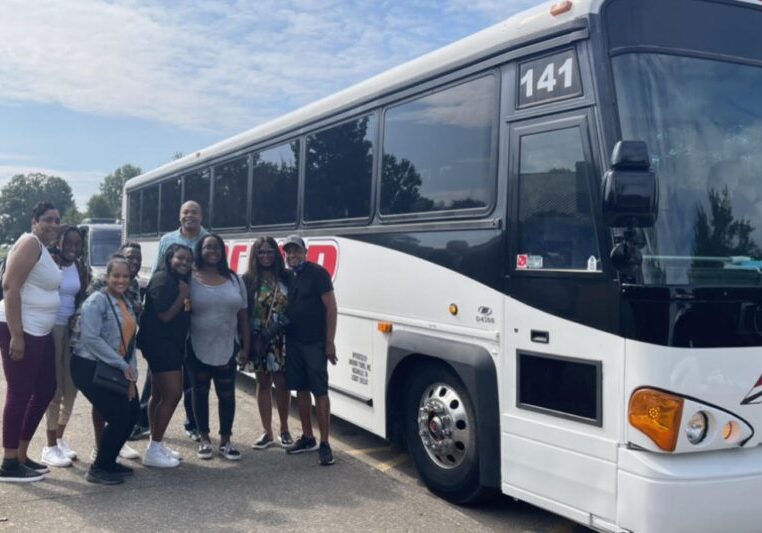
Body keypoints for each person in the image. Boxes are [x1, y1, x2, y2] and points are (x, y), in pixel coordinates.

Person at [133, 200, 208, 442]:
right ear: (179, 215)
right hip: (171, 312)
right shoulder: (168, 240)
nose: (190, 216)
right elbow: (158, 270)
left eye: (194, 212)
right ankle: (143, 422)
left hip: (191, 313)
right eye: (185, 211)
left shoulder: (208, 240)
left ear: (201, 215)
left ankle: (192, 423)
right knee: (159, 379)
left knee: (190, 372)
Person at [0, 202, 63, 482]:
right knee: (20, 394)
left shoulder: (43, 249)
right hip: (22, 330)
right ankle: (9, 462)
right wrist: (16, 334)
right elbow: (10, 286)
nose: (53, 225)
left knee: (46, 388)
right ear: (34, 220)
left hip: (40, 332)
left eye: (57, 220)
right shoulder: (29, 243)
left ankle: (22, 454)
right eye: (48, 219)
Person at [71, 256, 139, 485]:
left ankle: (109, 462)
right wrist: (122, 366)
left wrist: (132, 373)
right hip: (89, 366)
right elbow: (91, 339)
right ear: (107, 277)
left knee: (132, 414)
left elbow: (131, 341)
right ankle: (98, 468)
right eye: (116, 275)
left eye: (125, 276)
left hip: (116, 366)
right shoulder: (97, 301)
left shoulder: (126, 302)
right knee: (119, 416)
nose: (121, 280)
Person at [187, 233, 249, 461]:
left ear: (223, 252)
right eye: (207, 247)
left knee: (226, 393)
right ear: (200, 251)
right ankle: (204, 438)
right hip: (196, 345)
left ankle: (225, 440)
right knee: (200, 392)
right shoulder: (190, 278)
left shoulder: (234, 279)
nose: (212, 251)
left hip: (227, 345)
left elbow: (243, 315)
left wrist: (245, 346)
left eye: (216, 247)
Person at [282, 235, 338, 466]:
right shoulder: (288, 276)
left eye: (296, 251)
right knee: (301, 391)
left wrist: (329, 342)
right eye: (289, 252)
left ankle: (325, 443)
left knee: (320, 392)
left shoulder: (318, 273)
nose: (292, 256)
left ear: (305, 252)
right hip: (293, 342)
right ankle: (307, 437)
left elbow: (331, 309)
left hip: (314, 343)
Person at [86, 242, 143, 461]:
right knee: (103, 401)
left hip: (123, 350)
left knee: (122, 400)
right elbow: (90, 324)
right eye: (130, 258)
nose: (134, 262)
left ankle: (114, 442)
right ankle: (100, 445)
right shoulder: (101, 286)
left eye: (137, 259)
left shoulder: (134, 285)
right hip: (101, 353)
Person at [138, 244, 193, 468]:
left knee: (158, 395)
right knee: (173, 394)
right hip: (161, 345)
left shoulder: (175, 279)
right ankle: (154, 449)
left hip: (168, 345)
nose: (184, 263)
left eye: (189, 261)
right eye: (180, 258)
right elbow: (164, 316)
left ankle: (156, 444)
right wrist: (182, 295)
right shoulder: (163, 280)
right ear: (169, 257)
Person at [41, 226, 90, 467]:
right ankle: (49, 446)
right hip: (51, 328)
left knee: (72, 387)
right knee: (54, 388)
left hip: (73, 330)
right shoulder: (49, 262)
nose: (72, 248)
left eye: (76, 244)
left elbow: (84, 296)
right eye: (68, 243)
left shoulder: (80, 268)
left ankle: (59, 440)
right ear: (59, 242)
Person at [241, 237, 292, 449]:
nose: (265, 256)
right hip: (259, 339)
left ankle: (284, 429)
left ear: (276, 254)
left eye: (269, 251)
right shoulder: (248, 279)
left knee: (282, 384)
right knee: (262, 383)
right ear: (255, 255)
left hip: (281, 338)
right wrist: (246, 343)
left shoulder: (287, 278)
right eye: (261, 252)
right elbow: (242, 312)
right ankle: (267, 432)